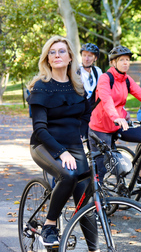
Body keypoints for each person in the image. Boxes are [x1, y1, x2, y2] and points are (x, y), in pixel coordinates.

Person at [27, 36, 98, 250]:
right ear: (47, 59)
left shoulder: (77, 86)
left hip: (73, 146)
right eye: (52, 52)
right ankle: (49, 226)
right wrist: (61, 152)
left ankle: (95, 249)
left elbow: (86, 114)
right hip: (44, 145)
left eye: (61, 51)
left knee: (84, 197)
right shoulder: (41, 87)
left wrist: (83, 136)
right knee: (68, 175)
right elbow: (39, 129)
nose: (57, 55)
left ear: (69, 58)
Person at [88, 45, 141, 188]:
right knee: (101, 169)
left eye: (127, 60)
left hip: (119, 125)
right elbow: (106, 99)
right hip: (101, 128)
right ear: (113, 63)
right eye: (121, 60)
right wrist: (116, 117)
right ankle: (97, 203)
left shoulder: (126, 79)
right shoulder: (105, 78)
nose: (125, 63)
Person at [78, 43, 103, 138]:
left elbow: (103, 90)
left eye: (89, 56)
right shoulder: (76, 71)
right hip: (80, 110)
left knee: (93, 139)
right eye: (84, 55)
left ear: (95, 58)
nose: (86, 59)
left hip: (93, 110)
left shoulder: (97, 71)